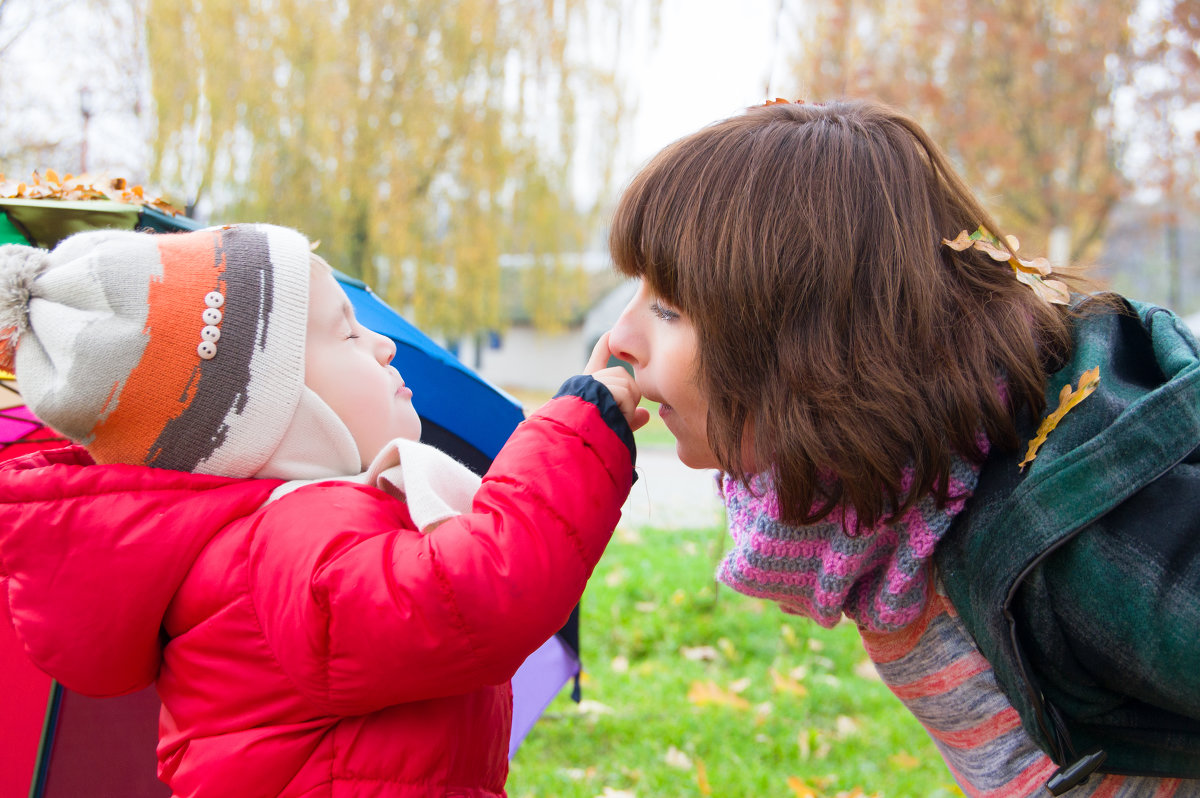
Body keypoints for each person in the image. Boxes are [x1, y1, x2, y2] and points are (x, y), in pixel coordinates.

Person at [602, 99, 1200, 796]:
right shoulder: (886, 506)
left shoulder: (1073, 540)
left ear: (815, 351)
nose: (618, 337)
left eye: (670, 309)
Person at [0, 223, 647, 797]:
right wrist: (578, 430)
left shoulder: (272, 537)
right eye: (347, 332)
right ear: (272, 415)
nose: (383, 346)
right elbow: (479, 590)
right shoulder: (286, 550)